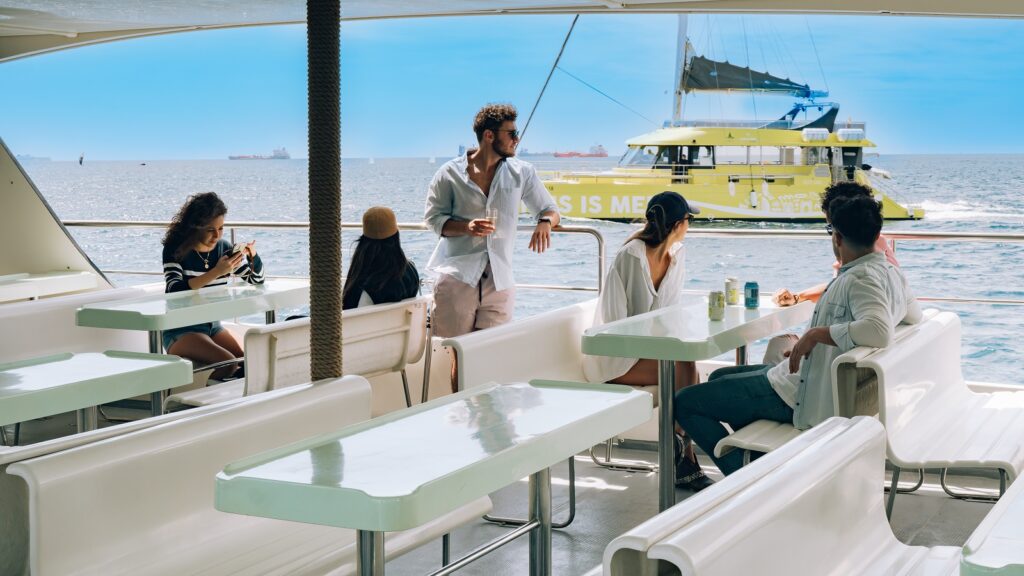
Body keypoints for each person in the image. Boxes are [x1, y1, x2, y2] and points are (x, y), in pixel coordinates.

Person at [676, 195, 922, 477]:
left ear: (837, 238)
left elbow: (878, 331)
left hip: (800, 394)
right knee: (719, 379)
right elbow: (913, 315)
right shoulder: (891, 272)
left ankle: (755, 477)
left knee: (685, 402)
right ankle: (760, 458)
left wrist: (816, 335)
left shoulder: (859, 279)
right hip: (812, 377)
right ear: (877, 234)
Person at [582, 191, 711, 491]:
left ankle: (682, 454)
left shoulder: (676, 258)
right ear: (678, 224)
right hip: (614, 356)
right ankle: (684, 455)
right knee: (685, 372)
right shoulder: (632, 256)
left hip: (648, 353)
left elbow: (670, 314)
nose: (690, 226)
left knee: (687, 368)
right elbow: (615, 320)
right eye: (689, 220)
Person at [424, 103, 560, 339]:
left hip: (501, 282)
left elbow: (550, 209)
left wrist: (545, 222)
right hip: (458, 278)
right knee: (449, 354)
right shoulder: (448, 174)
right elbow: (434, 219)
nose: (517, 139)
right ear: (488, 136)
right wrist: (467, 227)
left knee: (489, 354)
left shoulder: (523, 172)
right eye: (512, 133)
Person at [162, 192, 264, 379]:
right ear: (195, 227)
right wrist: (217, 272)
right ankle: (196, 402)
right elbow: (173, 288)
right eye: (210, 229)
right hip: (181, 329)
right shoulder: (175, 248)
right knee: (228, 362)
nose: (217, 235)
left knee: (245, 362)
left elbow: (256, 280)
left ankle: (228, 403)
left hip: (212, 326)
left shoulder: (223, 248)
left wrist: (253, 257)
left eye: (221, 228)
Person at [773, 182, 899, 306]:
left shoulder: (863, 255)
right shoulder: (873, 246)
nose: (833, 234)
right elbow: (837, 286)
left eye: (831, 226)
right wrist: (798, 297)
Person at [343, 206, 420, 310]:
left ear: (364, 241)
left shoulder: (364, 286)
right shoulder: (411, 270)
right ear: (396, 235)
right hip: (404, 326)